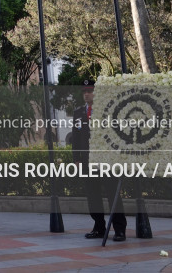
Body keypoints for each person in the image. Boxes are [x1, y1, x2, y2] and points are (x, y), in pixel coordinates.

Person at [71, 81, 127, 242]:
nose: (86, 94)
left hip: (106, 160)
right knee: (93, 195)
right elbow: (76, 137)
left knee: (113, 194)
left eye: (90, 91)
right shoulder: (79, 112)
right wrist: (76, 158)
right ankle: (99, 227)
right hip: (87, 161)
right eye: (84, 92)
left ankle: (119, 229)